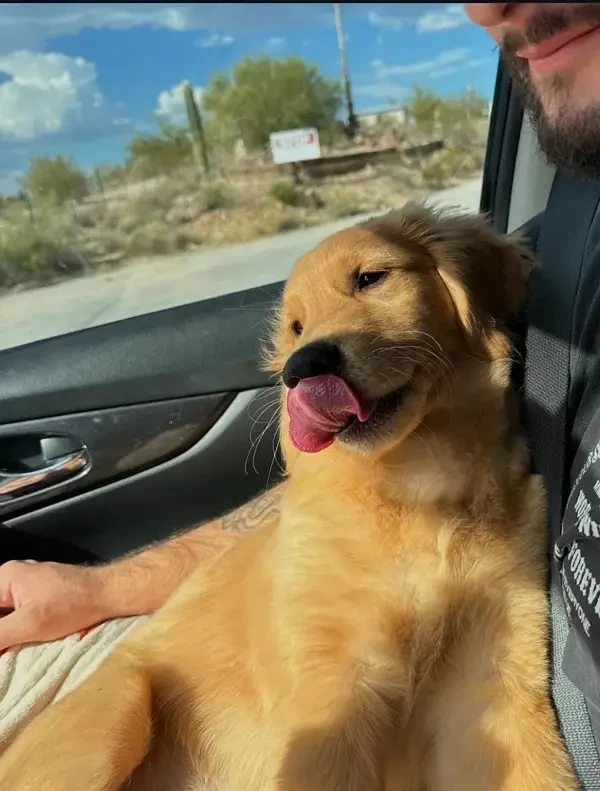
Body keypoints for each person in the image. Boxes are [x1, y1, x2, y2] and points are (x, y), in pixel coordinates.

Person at [2, 4, 600, 770]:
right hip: (158, 707)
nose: (311, 348)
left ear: (464, 290)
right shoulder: (328, 511)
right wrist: (102, 590)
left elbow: (496, 724)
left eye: (370, 278)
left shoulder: (513, 502)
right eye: (294, 332)